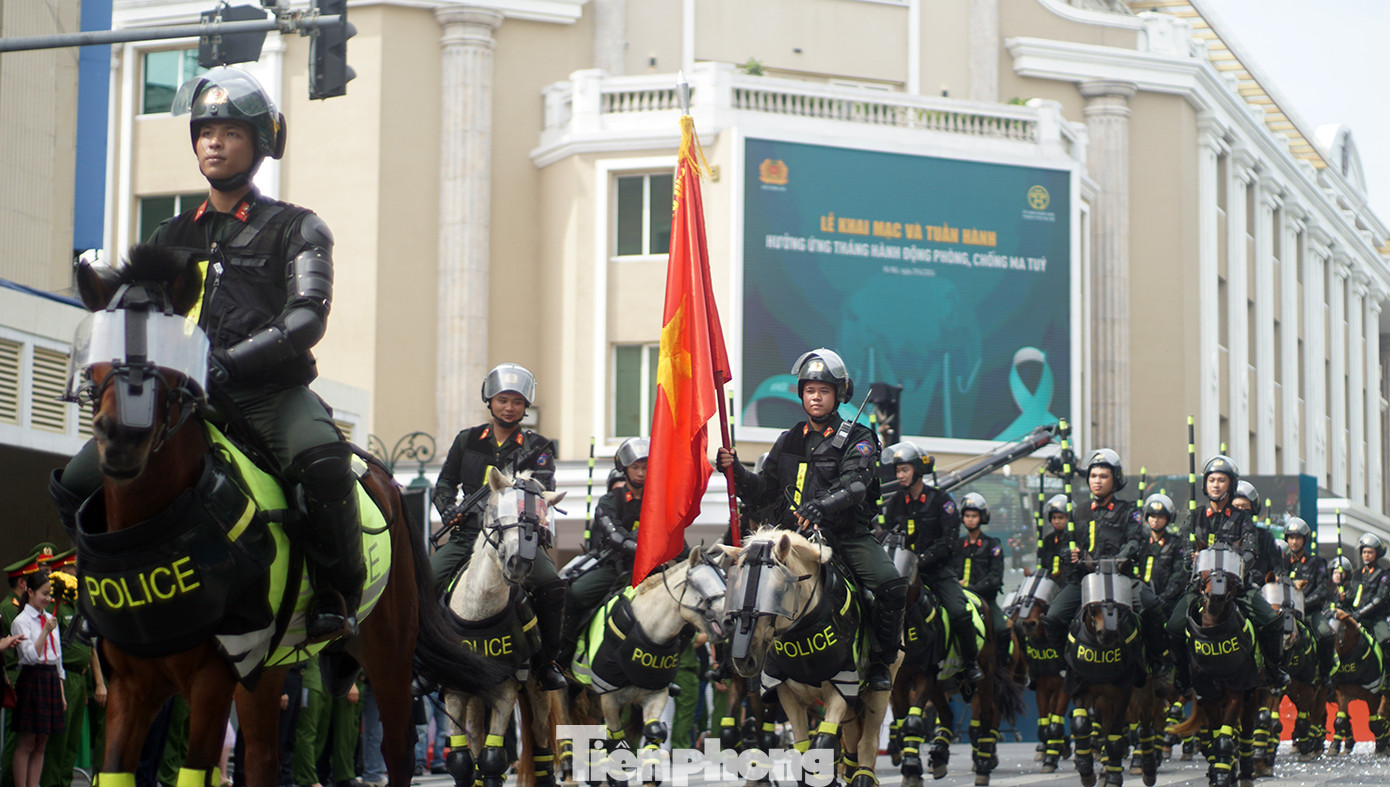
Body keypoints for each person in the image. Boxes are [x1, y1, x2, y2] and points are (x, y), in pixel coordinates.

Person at [51, 66, 362, 644]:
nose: (213, 142)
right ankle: (103, 590)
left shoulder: (297, 226)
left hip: (268, 393)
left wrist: (232, 362)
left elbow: (306, 317)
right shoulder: (169, 234)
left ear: (260, 143)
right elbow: (131, 317)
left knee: (322, 460)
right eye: (204, 132)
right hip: (180, 397)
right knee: (74, 483)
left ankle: (334, 593)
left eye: (230, 132)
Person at [717, 348, 903, 691]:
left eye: (824, 391)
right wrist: (737, 473)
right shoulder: (788, 439)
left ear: (839, 394)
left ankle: (880, 662)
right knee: (745, 585)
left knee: (892, 585)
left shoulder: (860, 438)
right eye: (809, 390)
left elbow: (857, 485)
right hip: (793, 541)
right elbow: (764, 491)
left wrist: (823, 506)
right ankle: (757, 663)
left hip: (845, 536)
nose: (815, 397)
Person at [428, 363, 566, 689]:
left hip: (514, 535)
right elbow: (444, 485)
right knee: (426, 579)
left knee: (552, 585)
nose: (509, 407)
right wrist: (449, 511)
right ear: (489, 400)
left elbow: (540, 493)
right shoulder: (467, 440)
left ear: (526, 405)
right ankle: (426, 661)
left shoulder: (539, 447)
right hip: (468, 534)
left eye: (517, 401)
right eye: (503, 399)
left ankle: (547, 662)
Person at [1040, 449, 1168, 677]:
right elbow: (1066, 546)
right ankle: (1064, 663)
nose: (1097, 481)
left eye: (1103, 476)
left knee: (1152, 607)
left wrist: (1120, 558)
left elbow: (1135, 541)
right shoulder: (1077, 511)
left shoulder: (1129, 510)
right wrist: (1070, 554)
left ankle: (1156, 660)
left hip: (1121, 579)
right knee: (1053, 617)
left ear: (1115, 479)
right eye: (1093, 476)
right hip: (1084, 581)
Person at [1165, 455, 1286, 690]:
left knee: (1272, 621)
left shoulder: (1243, 519)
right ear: (1205, 485)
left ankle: (1273, 670)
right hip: (1201, 588)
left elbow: (1251, 552)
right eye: (1211, 480)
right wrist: (1191, 560)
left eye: (1221, 480)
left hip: (1236, 587)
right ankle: (1181, 674)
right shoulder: (1194, 516)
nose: (1216, 484)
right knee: (1173, 627)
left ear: (1231, 484)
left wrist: (1237, 564)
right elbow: (1185, 553)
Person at [881, 442, 983, 682]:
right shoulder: (895, 501)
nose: (900, 475)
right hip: (902, 574)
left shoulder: (941, 500)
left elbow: (948, 541)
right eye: (897, 471)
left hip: (937, 572)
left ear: (917, 470)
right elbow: (887, 534)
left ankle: (970, 663)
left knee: (959, 612)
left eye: (904, 470)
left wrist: (922, 560)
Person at [562, 438, 648, 664]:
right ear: (624, 469)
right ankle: (563, 657)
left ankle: (670, 668)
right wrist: (642, 547)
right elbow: (615, 536)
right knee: (575, 594)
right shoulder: (610, 500)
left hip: (651, 570)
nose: (640, 473)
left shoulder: (660, 501)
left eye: (645, 467)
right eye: (635, 468)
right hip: (615, 567)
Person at [10, 572, 63, 787]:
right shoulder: (21, 621)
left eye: (50, 594)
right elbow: (31, 656)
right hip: (33, 679)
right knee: (28, 740)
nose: (47, 599)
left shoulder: (50, 618)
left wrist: (61, 691)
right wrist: (44, 631)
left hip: (50, 679)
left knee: (43, 741)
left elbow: (57, 658)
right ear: (30, 592)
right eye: (43, 594)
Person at [1282, 518, 1337, 684]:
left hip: (1309, 611)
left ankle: (1325, 672)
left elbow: (1322, 591)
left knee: (1326, 634)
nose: (1294, 541)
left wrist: (1301, 605)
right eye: (1291, 538)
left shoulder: (1317, 562)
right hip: (1283, 612)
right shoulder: (1282, 563)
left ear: (1305, 540)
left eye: (1298, 538)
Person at [953, 493, 1007, 648]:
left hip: (986, 600)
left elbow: (996, 577)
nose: (970, 519)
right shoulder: (957, 544)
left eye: (974, 516)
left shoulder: (992, 545)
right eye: (967, 515)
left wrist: (972, 589)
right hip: (960, 598)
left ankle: (1001, 668)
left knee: (1001, 630)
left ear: (982, 517)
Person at [1332, 533, 1390, 660]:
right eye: (1364, 552)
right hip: (1354, 616)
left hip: (1374, 619)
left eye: (1370, 552)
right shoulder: (1357, 574)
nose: (1366, 555)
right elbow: (1352, 596)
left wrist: (1360, 613)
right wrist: (1344, 598)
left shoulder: (1384, 574)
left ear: (1377, 554)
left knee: (1386, 641)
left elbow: (1379, 599)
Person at [1136, 494, 1188, 622]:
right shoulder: (1141, 542)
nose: (1155, 520)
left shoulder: (1176, 543)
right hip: (1142, 599)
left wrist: (1165, 597)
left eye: (1160, 517)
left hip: (1167, 602)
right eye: (1152, 516)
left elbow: (1179, 574)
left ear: (1168, 519)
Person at [1035, 494, 1072, 583]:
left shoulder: (1074, 539)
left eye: (1061, 518)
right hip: (1048, 585)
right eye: (1054, 518)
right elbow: (1043, 565)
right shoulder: (1048, 540)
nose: (1056, 521)